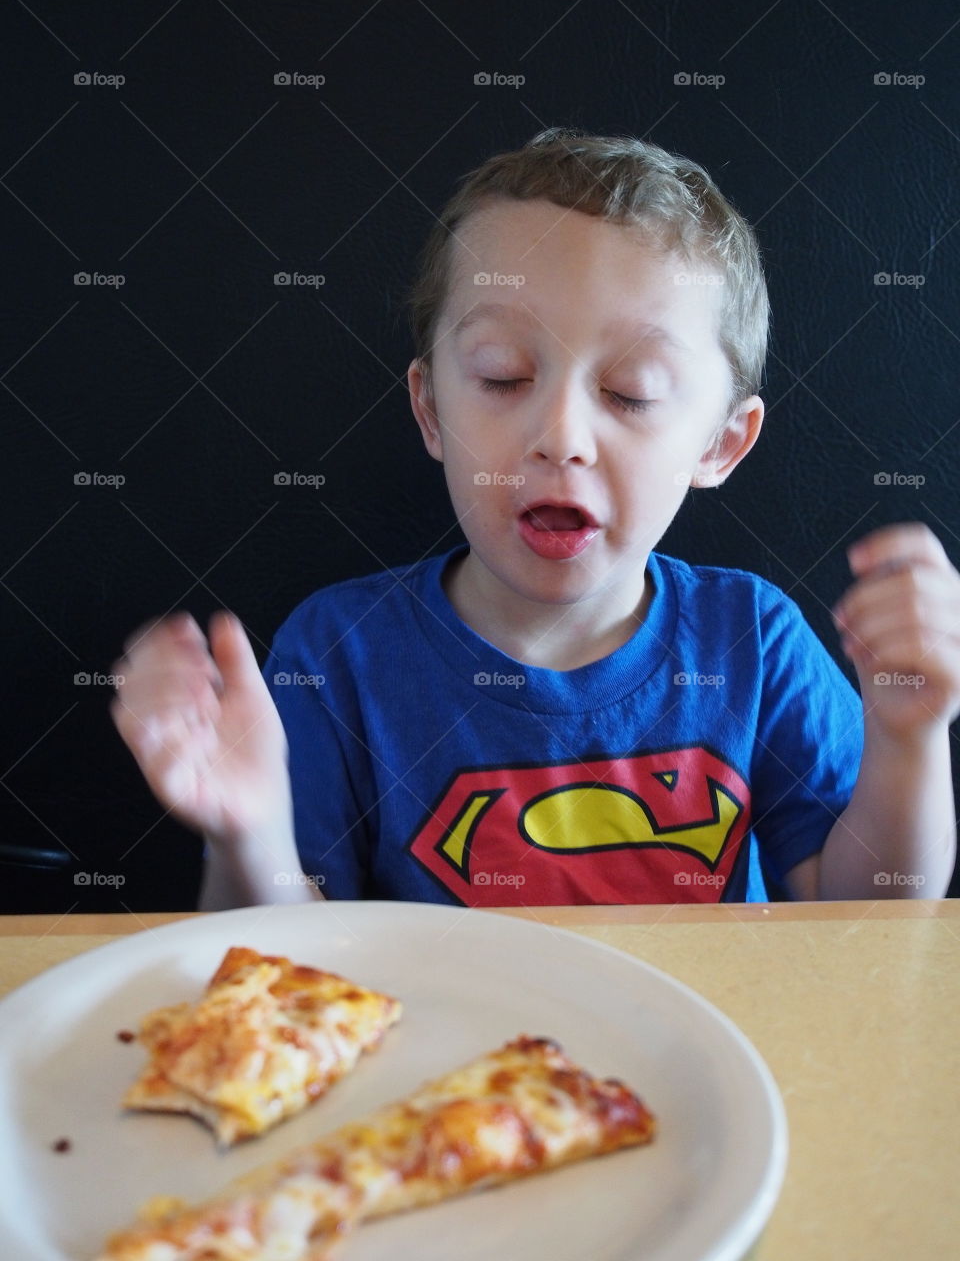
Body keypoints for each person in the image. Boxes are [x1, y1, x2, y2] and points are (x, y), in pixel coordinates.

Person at [111, 128, 960, 910]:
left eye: (633, 393)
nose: (560, 438)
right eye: (503, 375)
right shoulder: (342, 652)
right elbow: (287, 972)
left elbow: (864, 924)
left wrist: (909, 737)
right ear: (432, 410)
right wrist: (248, 834)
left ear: (720, 444)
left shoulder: (755, 643)